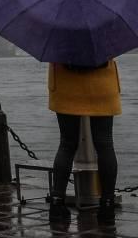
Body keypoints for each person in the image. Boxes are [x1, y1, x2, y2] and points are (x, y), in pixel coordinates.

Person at [47, 59, 121, 224]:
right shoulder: (102, 32)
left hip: (65, 84)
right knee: (105, 144)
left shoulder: (60, 32)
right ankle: (107, 206)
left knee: (66, 144)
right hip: (101, 84)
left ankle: (57, 204)